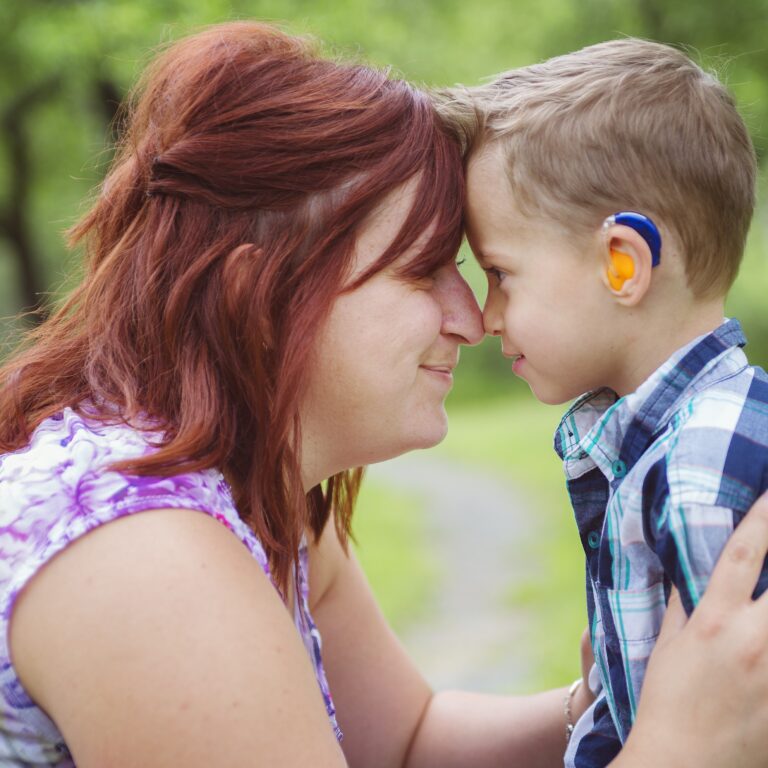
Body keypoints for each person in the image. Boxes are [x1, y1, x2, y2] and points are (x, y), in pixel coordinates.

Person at [3, 22, 768, 768]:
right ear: (259, 298)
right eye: (423, 268)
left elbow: (406, 742)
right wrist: (680, 748)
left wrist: (623, 702)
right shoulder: (146, 561)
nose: (471, 319)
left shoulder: (262, 492)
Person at [440, 38, 768, 767]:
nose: (486, 316)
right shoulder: (663, 448)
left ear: (623, 263)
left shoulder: (698, 471)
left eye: (499, 273)